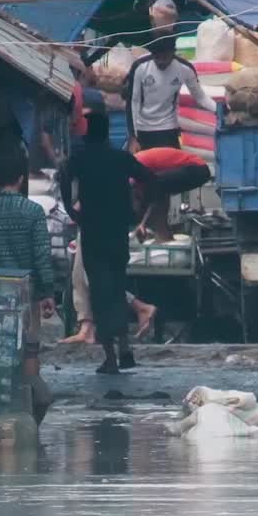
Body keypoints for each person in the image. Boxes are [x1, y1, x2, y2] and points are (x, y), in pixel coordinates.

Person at [61, 113, 156, 374]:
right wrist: (140, 210)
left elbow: (63, 177)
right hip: (117, 233)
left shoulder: (80, 159)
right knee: (116, 286)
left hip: (92, 231)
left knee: (101, 293)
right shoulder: (121, 158)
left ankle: (111, 358)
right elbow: (150, 178)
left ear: (87, 133)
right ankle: (125, 347)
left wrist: (72, 210)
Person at [0, 150, 56, 422]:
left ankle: (2, 406)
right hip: (27, 294)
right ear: (21, 179)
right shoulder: (33, 212)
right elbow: (41, 256)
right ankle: (27, 413)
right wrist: (47, 293)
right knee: (29, 347)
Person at [125, 34, 215, 151]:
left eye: (165, 58)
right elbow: (133, 101)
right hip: (143, 128)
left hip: (168, 127)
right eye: (157, 58)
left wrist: (220, 110)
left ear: (173, 52)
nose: (161, 62)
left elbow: (201, 97)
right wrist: (133, 136)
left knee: (171, 166)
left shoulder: (185, 68)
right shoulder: (140, 67)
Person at [131, 147, 212, 242]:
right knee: (159, 192)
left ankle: (163, 236)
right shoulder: (134, 169)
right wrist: (143, 222)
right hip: (196, 170)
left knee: (155, 189)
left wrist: (143, 222)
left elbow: (151, 199)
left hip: (197, 169)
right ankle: (166, 235)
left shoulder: (134, 168)